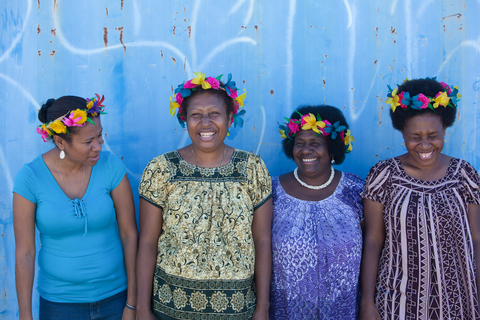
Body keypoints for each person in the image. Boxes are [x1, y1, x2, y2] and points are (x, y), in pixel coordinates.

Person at [136, 72, 273, 320]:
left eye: (215, 114)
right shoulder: (161, 169)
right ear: (184, 120)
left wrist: (262, 307)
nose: (206, 123)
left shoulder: (252, 168)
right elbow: (147, 242)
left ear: (230, 119)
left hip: (237, 309)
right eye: (196, 115)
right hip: (171, 307)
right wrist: (143, 309)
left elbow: (262, 241)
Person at [360, 78, 480, 319]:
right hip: (398, 300)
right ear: (402, 134)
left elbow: (477, 240)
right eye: (415, 136)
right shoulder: (384, 175)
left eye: (433, 135)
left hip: (458, 301)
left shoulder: (464, 175)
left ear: (444, 131)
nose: (425, 145)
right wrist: (366, 302)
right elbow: (373, 241)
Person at [13, 95, 138, 320]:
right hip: (59, 305)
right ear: (61, 142)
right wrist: (25, 315)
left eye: (100, 136)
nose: (98, 146)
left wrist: (132, 303)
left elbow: (129, 234)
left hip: (115, 299)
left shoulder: (110, 166)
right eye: (88, 141)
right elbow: (25, 252)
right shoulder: (30, 178)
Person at [269, 105, 364, 319]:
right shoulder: (272, 192)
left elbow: (374, 246)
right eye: (300, 143)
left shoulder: (355, 191)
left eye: (315, 144)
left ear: (332, 148)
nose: (305, 150)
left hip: (343, 311)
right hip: (286, 311)